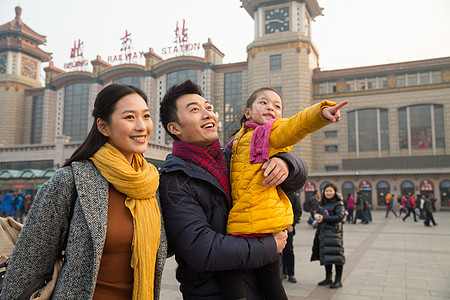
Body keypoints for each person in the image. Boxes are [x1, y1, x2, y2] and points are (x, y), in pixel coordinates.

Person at [1, 84, 167, 300]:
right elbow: (28, 263)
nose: (141, 126)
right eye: (129, 117)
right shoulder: (71, 181)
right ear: (103, 126)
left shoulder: (150, 183)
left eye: (146, 116)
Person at [158, 80, 307, 300]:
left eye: (209, 108)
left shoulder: (232, 158)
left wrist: (288, 163)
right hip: (212, 293)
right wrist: (269, 245)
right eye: (195, 110)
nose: (208, 114)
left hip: (260, 285)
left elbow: (296, 181)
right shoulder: (175, 180)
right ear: (174, 128)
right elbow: (202, 249)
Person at [223, 86, 347, 299]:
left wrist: (319, 113)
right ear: (247, 112)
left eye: (277, 106)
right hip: (247, 218)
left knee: (247, 279)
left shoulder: (271, 133)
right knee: (264, 283)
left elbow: (295, 126)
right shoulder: (235, 142)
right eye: (263, 102)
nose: (270, 107)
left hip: (262, 221)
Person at [311, 183, 346, 288]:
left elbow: (340, 217)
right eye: (326, 191)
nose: (328, 193)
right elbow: (319, 214)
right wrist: (316, 216)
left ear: (335, 192)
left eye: (330, 191)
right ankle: (328, 278)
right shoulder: (322, 203)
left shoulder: (339, 203)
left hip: (334, 234)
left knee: (337, 257)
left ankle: (338, 280)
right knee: (327, 255)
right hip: (323, 232)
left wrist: (324, 218)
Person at [282, 191, 303, 284]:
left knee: (288, 250)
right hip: (275, 227)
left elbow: (297, 211)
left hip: (288, 228)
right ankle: (282, 272)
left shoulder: (293, 196)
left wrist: (292, 224)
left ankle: (291, 273)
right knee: (277, 251)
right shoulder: (275, 193)